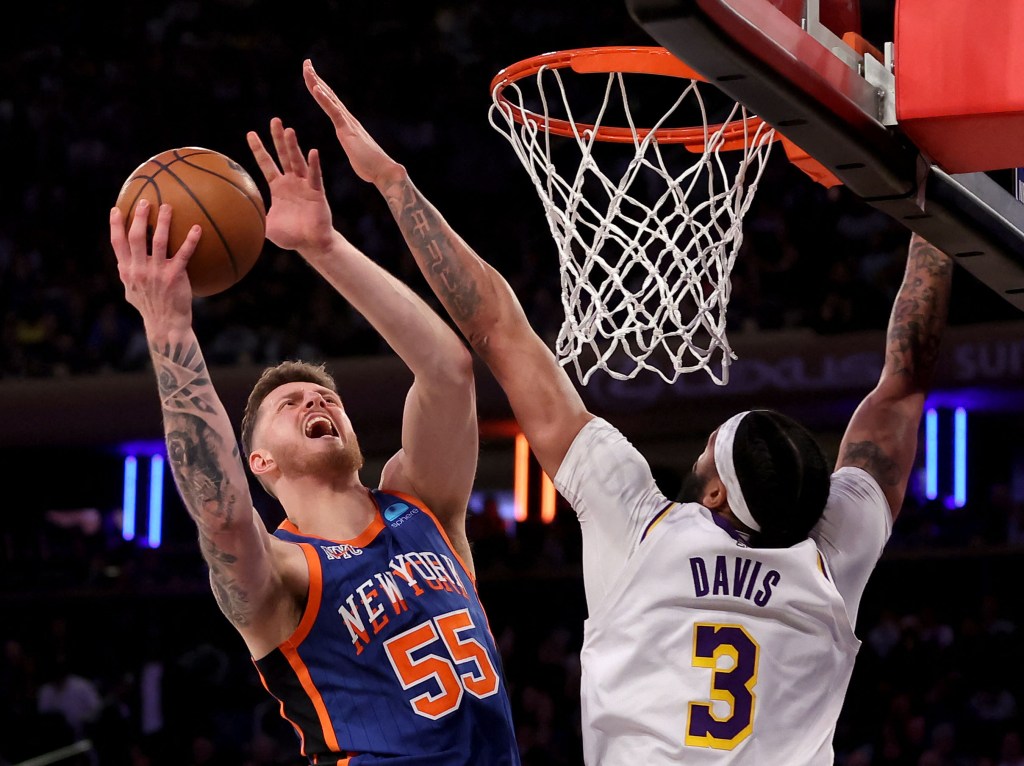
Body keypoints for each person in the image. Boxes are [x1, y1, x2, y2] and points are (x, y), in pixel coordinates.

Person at [301, 58, 954, 764]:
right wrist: (945, 191)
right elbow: (903, 386)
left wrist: (394, 184)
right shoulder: (829, 558)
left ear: (712, 492)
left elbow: (497, 326)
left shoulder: (650, 530)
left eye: (710, 446)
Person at [109, 114, 520, 764]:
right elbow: (220, 512)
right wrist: (168, 332)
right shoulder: (283, 572)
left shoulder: (424, 507)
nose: (316, 399)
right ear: (260, 461)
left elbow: (448, 370)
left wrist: (324, 247)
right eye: (289, 403)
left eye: (325, 396)